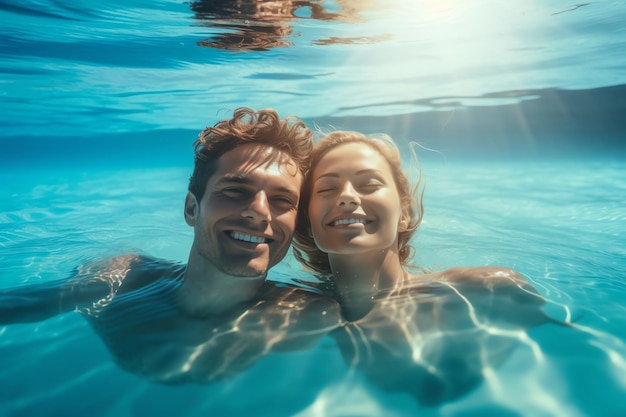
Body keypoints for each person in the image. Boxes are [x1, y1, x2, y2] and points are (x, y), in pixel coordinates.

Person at [0, 108, 341, 384]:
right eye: (235, 191)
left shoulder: (309, 314)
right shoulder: (118, 280)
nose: (259, 212)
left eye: (283, 199)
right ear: (192, 209)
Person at [292, 130, 556, 405]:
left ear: (403, 214)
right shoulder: (292, 315)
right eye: (326, 189)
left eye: (369, 184)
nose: (347, 197)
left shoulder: (488, 293)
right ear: (308, 222)